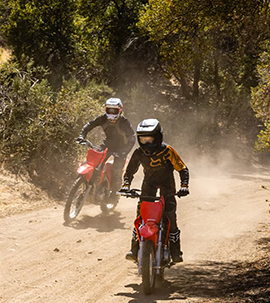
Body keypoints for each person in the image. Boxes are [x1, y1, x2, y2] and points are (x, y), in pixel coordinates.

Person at [120, 118, 189, 263]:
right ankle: (134, 249)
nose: (146, 143)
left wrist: (184, 186)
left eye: (149, 139)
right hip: (148, 184)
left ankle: (176, 251)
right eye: (143, 139)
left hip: (167, 185)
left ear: (158, 137)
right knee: (141, 217)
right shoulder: (139, 152)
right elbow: (130, 170)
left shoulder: (167, 150)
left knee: (170, 216)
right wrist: (126, 185)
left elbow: (182, 168)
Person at [77, 97, 136, 196]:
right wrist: (82, 136)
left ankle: (114, 194)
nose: (112, 113)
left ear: (120, 110)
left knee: (117, 171)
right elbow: (89, 125)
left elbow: (132, 138)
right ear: (105, 109)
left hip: (121, 148)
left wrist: (123, 152)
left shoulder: (124, 122)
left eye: (114, 111)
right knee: (95, 163)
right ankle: (93, 186)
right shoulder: (103, 118)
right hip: (107, 144)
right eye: (109, 110)